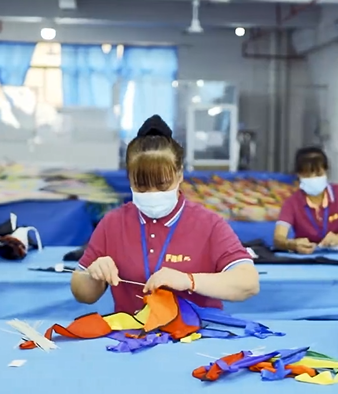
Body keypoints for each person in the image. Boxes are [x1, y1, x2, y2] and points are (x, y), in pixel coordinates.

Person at [71, 115, 259, 314]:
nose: (152, 194)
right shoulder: (113, 223)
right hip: (131, 337)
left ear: (179, 175)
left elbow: (248, 282)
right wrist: (94, 276)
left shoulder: (209, 224)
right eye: (141, 186)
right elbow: (82, 293)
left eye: (162, 185)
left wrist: (189, 281)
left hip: (199, 335)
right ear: (129, 180)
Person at [273, 146, 338, 254]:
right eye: (307, 175)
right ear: (298, 175)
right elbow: (278, 237)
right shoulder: (291, 203)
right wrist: (293, 244)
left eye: (318, 174)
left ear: (326, 171)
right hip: (307, 257)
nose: (313, 178)